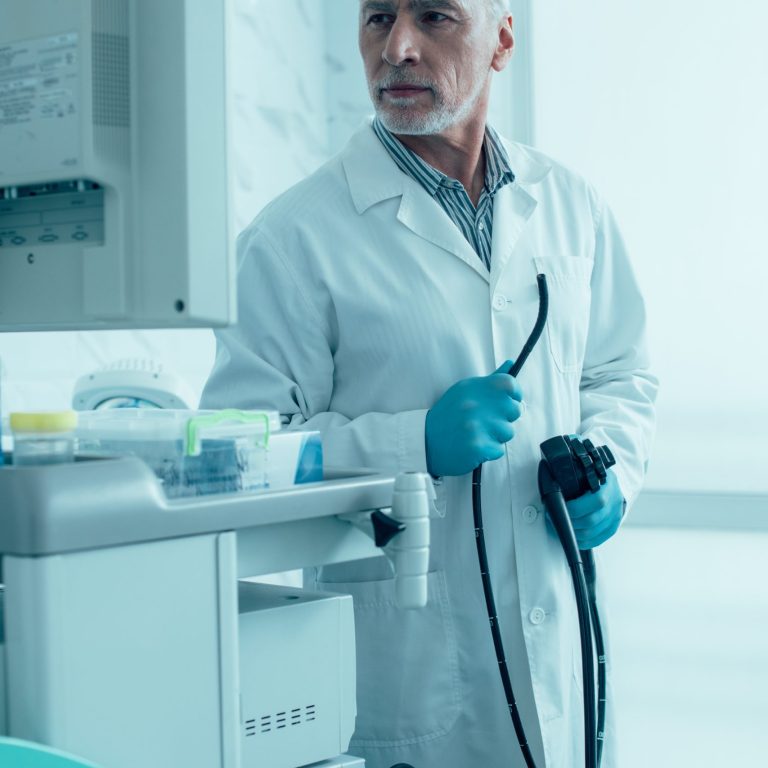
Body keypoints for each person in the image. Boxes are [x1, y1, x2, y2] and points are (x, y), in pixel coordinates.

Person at [201, 0, 658, 765]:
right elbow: (238, 456)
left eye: (436, 17)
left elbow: (620, 371)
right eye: (378, 18)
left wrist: (612, 462)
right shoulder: (293, 238)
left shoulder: (573, 207)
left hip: (566, 662)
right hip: (409, 680)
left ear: (502, 40)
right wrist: (411, 443)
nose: (399, 47)